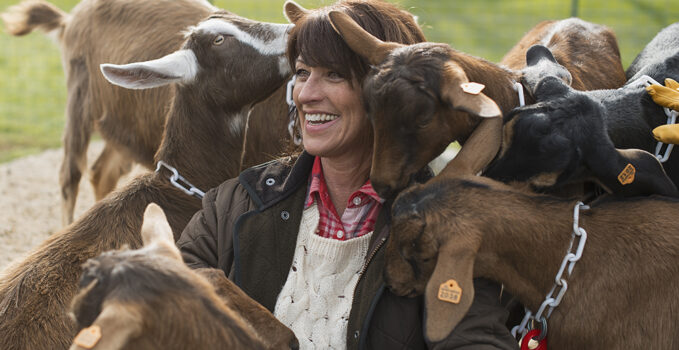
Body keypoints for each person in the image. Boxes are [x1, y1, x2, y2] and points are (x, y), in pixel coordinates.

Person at [177, 1, 518, 349]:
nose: (306, 94)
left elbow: (475, 340)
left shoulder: (448, 231)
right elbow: (168, 292)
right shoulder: (235, 204)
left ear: (390, 92)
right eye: (302, 73)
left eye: (334, 75)